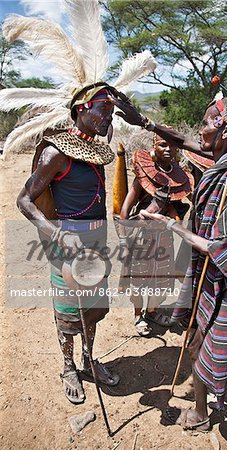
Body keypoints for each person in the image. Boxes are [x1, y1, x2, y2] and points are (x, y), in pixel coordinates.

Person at [112, 83, 227, 430]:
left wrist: (167, 225)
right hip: (226, 274)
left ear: (223, 128)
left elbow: (220, 249)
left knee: (196, 340)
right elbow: (188, 142)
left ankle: (202, 413)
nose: (198, 130)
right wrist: (144, 123)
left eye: (205, 122)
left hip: (222, 276)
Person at [17, 86, 122, 404]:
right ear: (81, 109)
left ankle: (90, 361)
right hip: (67, 245)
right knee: (68, 312)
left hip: (96, 244)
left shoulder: (96, 153)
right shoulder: (56, 154)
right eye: (103, 109)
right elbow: (24, 201)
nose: (109, 115)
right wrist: (58, 233)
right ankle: (68, 367)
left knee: (92, 309)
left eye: (111, 111)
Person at [119, 133, 193, 336]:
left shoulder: (178, 178)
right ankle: (138, 315)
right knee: (139, 279)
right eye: (162, 145)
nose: (168, 149)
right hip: (142, 237)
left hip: (164, 238)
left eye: (172, 146)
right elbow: (124, 211)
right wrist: (125, 242)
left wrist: (172, 215)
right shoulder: (142, 177)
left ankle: (152, 311)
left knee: (159, 279)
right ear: (154, 148)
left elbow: (175, 209)